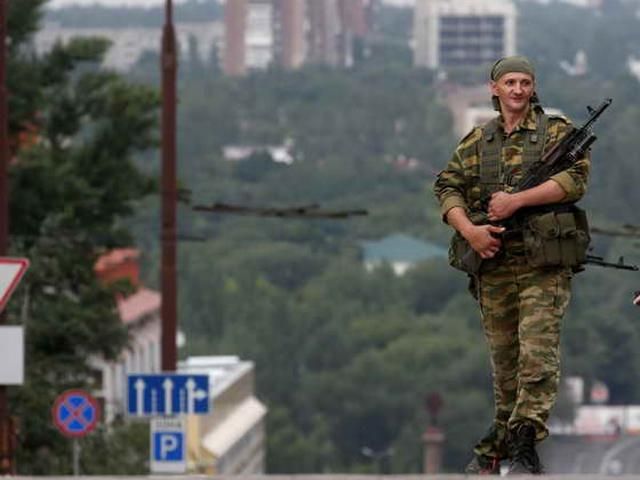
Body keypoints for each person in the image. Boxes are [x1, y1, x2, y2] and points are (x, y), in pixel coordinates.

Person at [433, 56, 590, 475]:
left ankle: (524, 439)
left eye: (525, 82)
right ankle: (496, 450)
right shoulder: (477, 142)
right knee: (505, 366)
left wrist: (517, 200)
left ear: (533, 87)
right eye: (510, 82)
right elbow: (448, 187)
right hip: (494, 263)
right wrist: (470, 231)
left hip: (543, 263)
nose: (518, 90)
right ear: (494, 89)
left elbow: (574, 180)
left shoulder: (555, 134)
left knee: (537, 355)